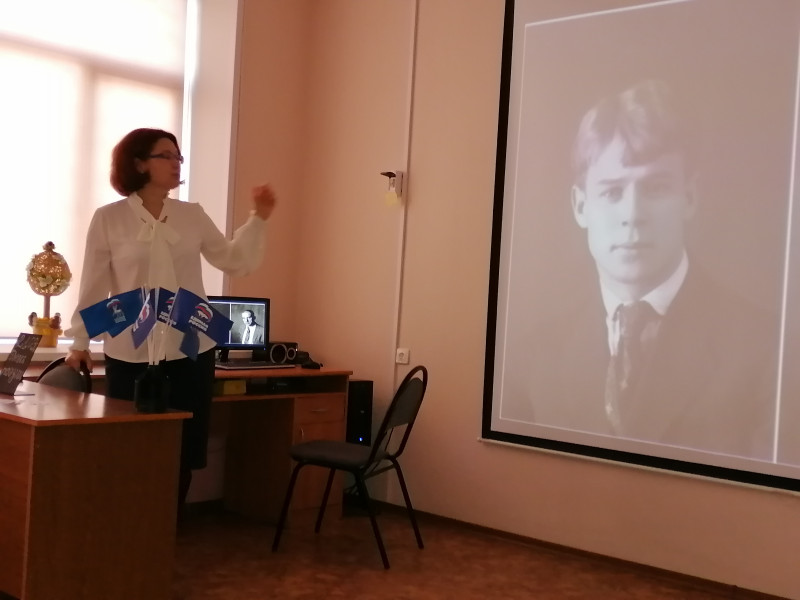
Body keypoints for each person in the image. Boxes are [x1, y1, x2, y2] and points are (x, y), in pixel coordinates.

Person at [508, 79, 778, 459]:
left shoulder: (767, 352)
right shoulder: (533, 357)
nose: (632, 215)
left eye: (655, 189)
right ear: (581, 207)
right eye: (612, 192)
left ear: (689, 198)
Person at [64, 127, 277, 508]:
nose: (177, 163)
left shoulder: (191, 215)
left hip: (189, 349)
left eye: (179, 156)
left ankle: (169, 528)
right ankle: (130, 528)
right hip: (129, 351)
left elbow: (232, 259)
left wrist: (258, 218)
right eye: (167, 155)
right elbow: (94, 284)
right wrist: (80, 342)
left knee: (183, 449)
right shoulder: (109, 218)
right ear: (139, 163)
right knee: (130, 446)